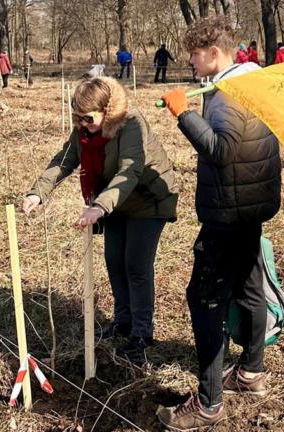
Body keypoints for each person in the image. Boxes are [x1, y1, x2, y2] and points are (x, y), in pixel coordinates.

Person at [158, 15, 282, 429]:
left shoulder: (229, 94)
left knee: (204, 300)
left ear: (214, 53)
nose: (191, 63)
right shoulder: (251, 82)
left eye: (195, 55)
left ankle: (209, 404)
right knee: (248, 287)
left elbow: (222, 150)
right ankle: (250, 372)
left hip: (228, 213)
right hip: (250, 206)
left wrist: (183, 114)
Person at [23, 77, 179, 355]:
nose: (82, 123)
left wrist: (100, 206)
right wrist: (38, 192)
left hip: (148, 198)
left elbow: (130, 170)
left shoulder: (131, 123)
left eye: (88, 118)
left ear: (107, 111)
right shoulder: (83, 131)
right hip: (115, 201)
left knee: (136, 265)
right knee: (114, 259)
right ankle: (123, 322)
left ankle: (142, 334)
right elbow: (65, 159)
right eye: (77, 117)